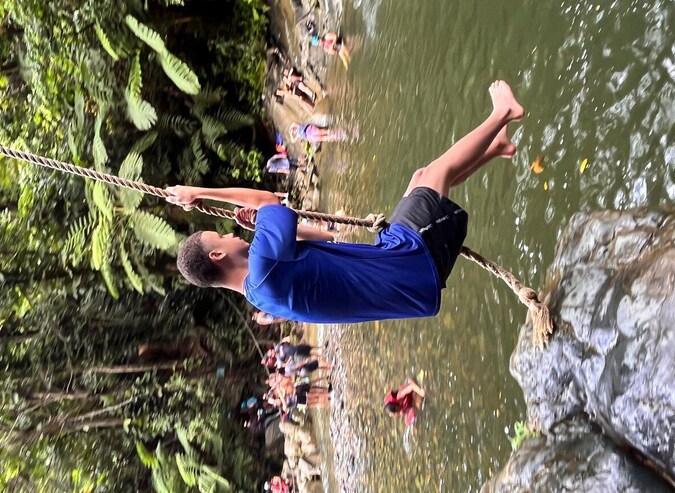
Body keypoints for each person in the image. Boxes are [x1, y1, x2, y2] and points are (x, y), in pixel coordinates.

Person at [170, 81, 524, 325]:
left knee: (420, 179)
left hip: (398, 270)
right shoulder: (262, 268)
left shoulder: (260, 293)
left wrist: (265, 226)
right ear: (217, 255)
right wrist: (198, 193)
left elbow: (326, 239)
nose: (231, 236)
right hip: (410, 269)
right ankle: (503, 113)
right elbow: (267, 199)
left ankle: (496, 148)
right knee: (437, 171)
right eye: (222, 238)